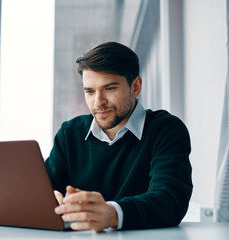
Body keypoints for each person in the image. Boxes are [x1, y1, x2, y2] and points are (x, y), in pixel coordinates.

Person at [44, 41, 193, 232]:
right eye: (89, 91)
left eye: (109, 88)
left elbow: (170, 199)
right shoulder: (69, 134)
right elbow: (45, 189)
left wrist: (112, 214)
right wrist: (49, 198)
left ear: (135, 87)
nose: (98, 102)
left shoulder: (165, 130)